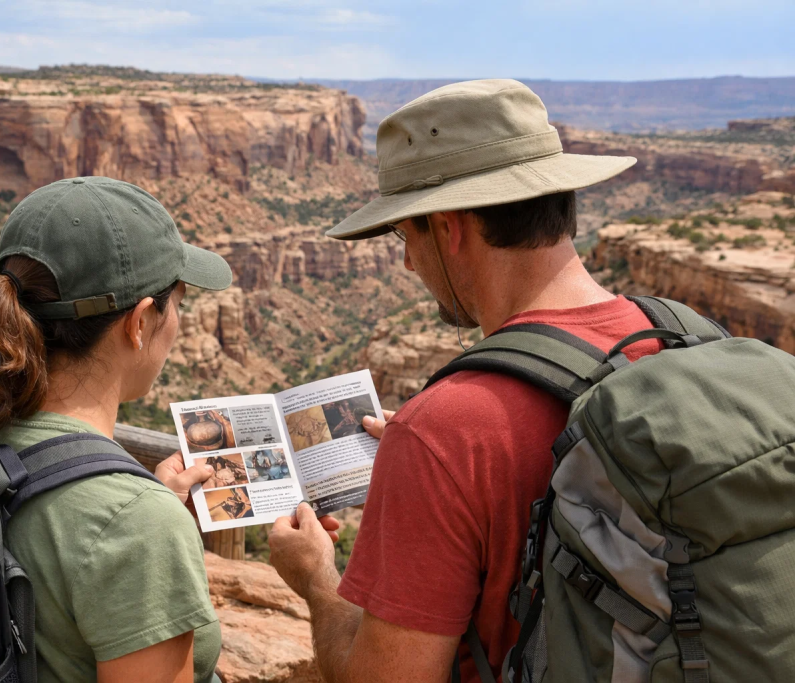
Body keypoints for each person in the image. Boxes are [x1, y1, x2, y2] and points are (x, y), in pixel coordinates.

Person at [268, 79, 655, 682]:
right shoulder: (682, 340)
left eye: (406, 235)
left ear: (449, 229)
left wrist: (317, 579)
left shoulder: (445, 430)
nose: (405, 262)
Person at [0, 177, 234, 683]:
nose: (180, 320)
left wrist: (131, 509)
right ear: (139, 323)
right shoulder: (137, 526)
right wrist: (134, 521)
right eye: (178, 302)